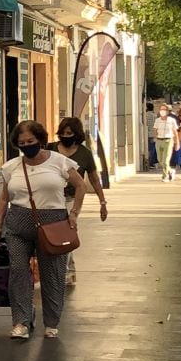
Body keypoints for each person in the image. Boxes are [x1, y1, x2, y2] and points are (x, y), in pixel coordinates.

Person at [0, 121, 88, 340]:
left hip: (53, 222)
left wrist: (74, 213)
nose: (26, 146)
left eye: (31, 142)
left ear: (41, 140)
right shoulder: (11, 167)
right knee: (18, 271)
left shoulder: (60, 162)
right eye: (21, 143)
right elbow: (4, 197)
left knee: (52, 273)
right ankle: (21, 322)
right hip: (18, 224)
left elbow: (81, 186)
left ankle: (51, 323)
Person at [48, 117, 107, 286]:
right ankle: (70, 271)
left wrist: (102, 202)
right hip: (51, 198)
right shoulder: (50, 149)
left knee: (65, 231)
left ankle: (64, 272)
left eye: (70, 133)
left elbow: (94, 179)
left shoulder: (84, 153)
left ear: (77, 134)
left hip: (72, 199)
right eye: (63, 133)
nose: (66, 136)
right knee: (61, 234)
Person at [152, 104, 179, 182]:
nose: (162, 111)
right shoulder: (157, 120)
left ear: (167, 111)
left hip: (168, 140)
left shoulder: (172, 120)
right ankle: (170, 171)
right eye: (161, 110)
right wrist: (155, 137)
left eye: (164, 110)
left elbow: (175, 132)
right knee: (160, 159)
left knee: (166, 160)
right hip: (159, 140)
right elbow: (155, 130)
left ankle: (165, 176)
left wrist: (177, 142)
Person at [144, 102, 156, 170]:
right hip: (153, 134)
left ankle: (147, 162)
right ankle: (151, 163)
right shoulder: (154, 116)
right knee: (152, 150)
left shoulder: (145, 115)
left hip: (146, 134)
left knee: (147, 149)